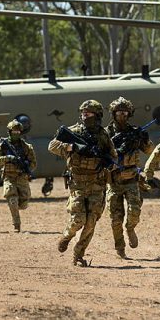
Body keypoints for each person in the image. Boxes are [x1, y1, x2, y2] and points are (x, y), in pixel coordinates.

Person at [49, 100, 116, 267]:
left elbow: (112, 156)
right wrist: (71, 147)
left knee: (91, 222)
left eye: (89, 113)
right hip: (78, 183)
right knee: (78, 220)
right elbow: (52, 146)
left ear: (98, 115)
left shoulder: (103, 135)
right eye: (84, 113)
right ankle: (66, 235)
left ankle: (78, 255)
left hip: (97, 184)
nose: (85, 116)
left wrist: (110, 163)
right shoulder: (73, 131)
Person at [105, 97, 155, 258]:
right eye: (119, 112)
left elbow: (148, 150)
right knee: (115, 219)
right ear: (113, 113)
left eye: (125, 112)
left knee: (135, 211)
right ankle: (120, 248)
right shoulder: (106, 134)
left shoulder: (134, 132)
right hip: (113, 181)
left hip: (132, 179)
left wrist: (144, 139)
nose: (122, 115)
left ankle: (131, 228)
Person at [0, 119, 37, 232]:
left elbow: (33, 163)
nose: (16, 134)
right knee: (12, 200)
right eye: (14, 132)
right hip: (9, 176)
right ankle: (16, 224)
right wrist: (8, 158)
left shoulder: (26, 147)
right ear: (9, 132)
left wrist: (26, 167)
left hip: (22, 177)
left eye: (18, 132)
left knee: (24, 203)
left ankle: (19, 207)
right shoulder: (3, 146)